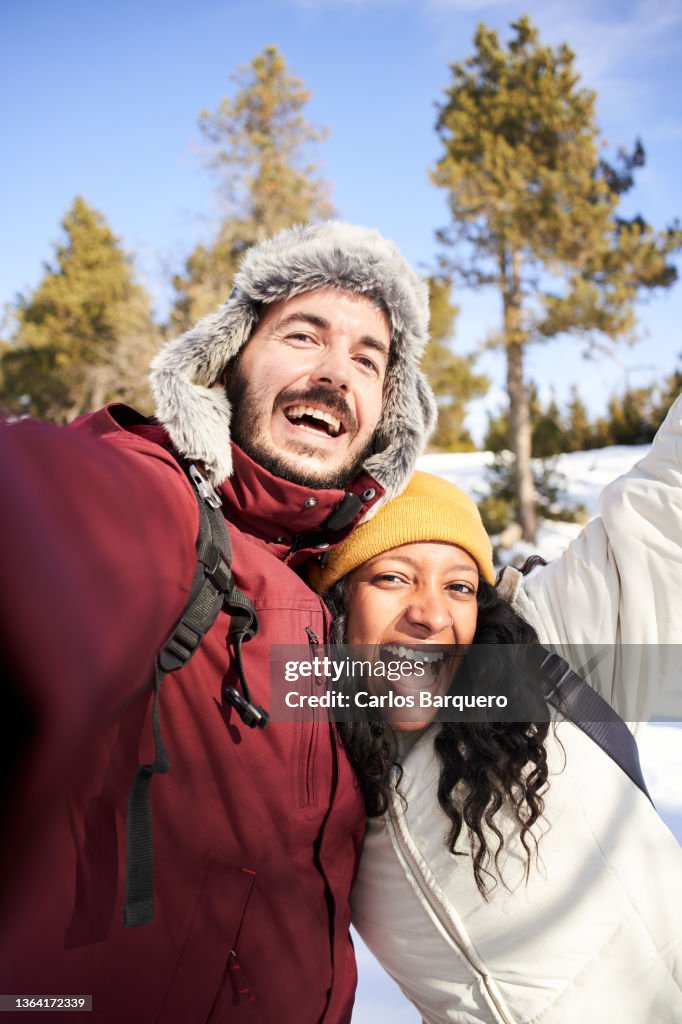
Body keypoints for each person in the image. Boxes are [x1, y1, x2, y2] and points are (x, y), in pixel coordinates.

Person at [0, 221, 437, 1024]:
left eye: (368, 359)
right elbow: (51, 516)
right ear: (228, 360)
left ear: (386, 412)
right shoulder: (161, 504)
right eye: (303, 335)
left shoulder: (338, 596)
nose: (337, 374)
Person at [310, 444, 682, 1024]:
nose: (431, 615)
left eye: (459, 587)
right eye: (392, 577)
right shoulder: (310, 761)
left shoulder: (551, 648)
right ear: (337, 603)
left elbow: (667, 502)